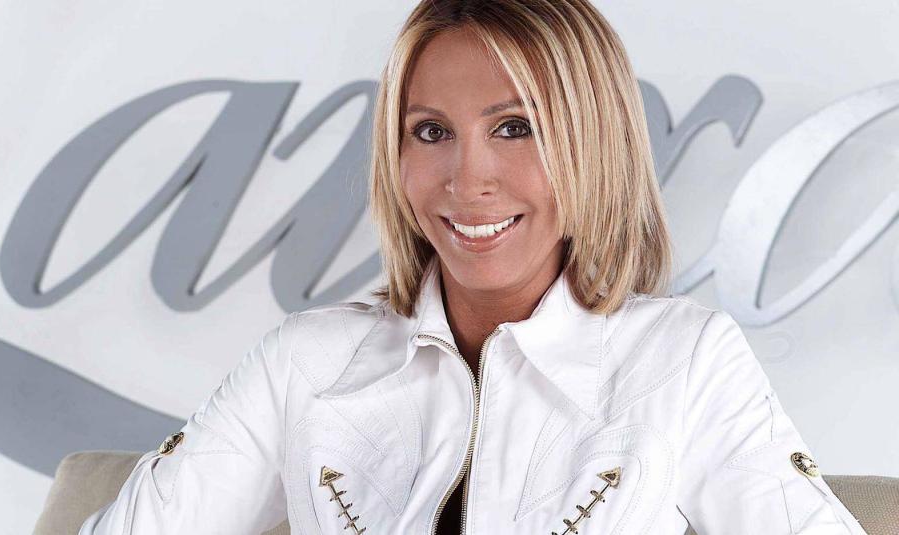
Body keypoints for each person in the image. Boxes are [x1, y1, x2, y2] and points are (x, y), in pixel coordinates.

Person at [80, 0, 869, 533]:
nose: (468, 179)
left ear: (593, 142)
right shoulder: (305, 362)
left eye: (515, 127)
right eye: (431, 133)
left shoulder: (684, 360)